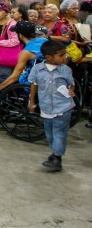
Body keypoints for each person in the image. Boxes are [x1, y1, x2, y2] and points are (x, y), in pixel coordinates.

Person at [0, 21, 48, 117]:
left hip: (27, 85)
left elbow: (14, 78)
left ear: (20, 35)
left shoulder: (26, 52)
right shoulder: (45, 42)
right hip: (45, 81)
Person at [28, 40, 76, 172]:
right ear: (49, 57)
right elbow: (34, 85)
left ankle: (57, 158)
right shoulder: (38, 69)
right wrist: (31, 102)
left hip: (63, 107)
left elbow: (71, 84)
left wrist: (71, 89)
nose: (64, 57)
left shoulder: (65, 69)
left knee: (59, 133)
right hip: (46, 107)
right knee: (49, 133)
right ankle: (55, 153)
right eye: (61, 55)